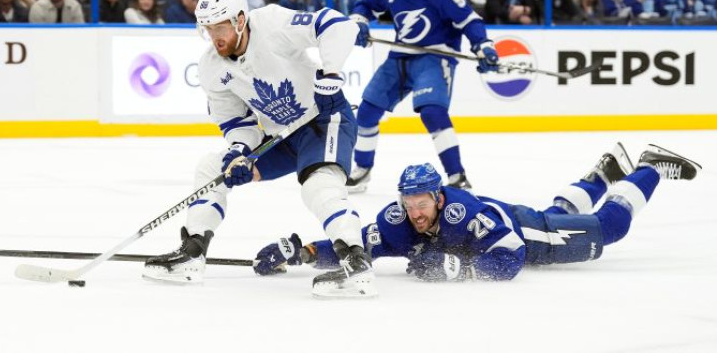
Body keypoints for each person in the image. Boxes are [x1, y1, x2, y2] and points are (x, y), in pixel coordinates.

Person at [142, 0, 377, 298]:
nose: (214, 37)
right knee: (213, 169)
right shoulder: (211, 67)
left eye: (220, 27)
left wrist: (331, 76)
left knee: (318, 185)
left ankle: (356, 263)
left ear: (240, 20)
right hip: (279, 135)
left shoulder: (271, 23)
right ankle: (193, 253)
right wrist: (239, 151)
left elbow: (336, 25)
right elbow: (236, 121)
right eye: (208, 28)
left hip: (323, 118)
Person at [254, 144, 701, 282]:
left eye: (423, 204)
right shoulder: (397, 221)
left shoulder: (464, 212)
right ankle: (603, 174)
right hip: (517, 216)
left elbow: (511, 258)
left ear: (440, 198)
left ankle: (646, 167)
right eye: (409, 206)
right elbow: (352, 246)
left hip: (527, 235)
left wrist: (457, 268)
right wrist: (303, 251)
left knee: (608, 228)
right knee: (560, 209)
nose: (416, 214)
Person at [346, 0, 500, 193]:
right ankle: (362, 170)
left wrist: (483, 45)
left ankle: (457, 176)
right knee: (367, 112)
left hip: (435, 55)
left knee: (432, 112)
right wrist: (359, 22)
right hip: (400, 55)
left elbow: (468, 19)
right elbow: (364, 5)